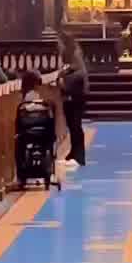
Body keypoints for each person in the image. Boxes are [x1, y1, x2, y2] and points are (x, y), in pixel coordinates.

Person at [57, 33, 88, 169]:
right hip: (71, 95)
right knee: (72, 126)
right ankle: (73, 153)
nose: (59, 46)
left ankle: (79, 156)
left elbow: (81, 73)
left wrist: (65, 77)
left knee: (76, 126)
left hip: (76, 95)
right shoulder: (71, 54)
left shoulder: (76, 53)